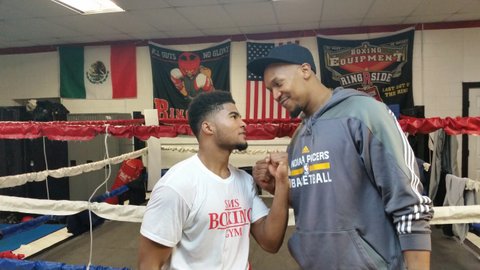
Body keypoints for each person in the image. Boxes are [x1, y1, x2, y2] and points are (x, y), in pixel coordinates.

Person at [247, 44, 434, 270]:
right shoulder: (299, 137)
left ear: (305, 71)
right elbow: (316, 201)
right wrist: (278, 186)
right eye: (270, 90)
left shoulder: (364, 113)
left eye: (278, 84)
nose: (275, 95)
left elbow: (409, 205)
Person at [138, 90, 290, 270]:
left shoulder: (244, 181)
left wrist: (282, 183)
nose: (243, 123)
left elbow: (271, 242)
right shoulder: (177, 185)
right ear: (208, 127)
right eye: (233, 116)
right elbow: (148, 264)